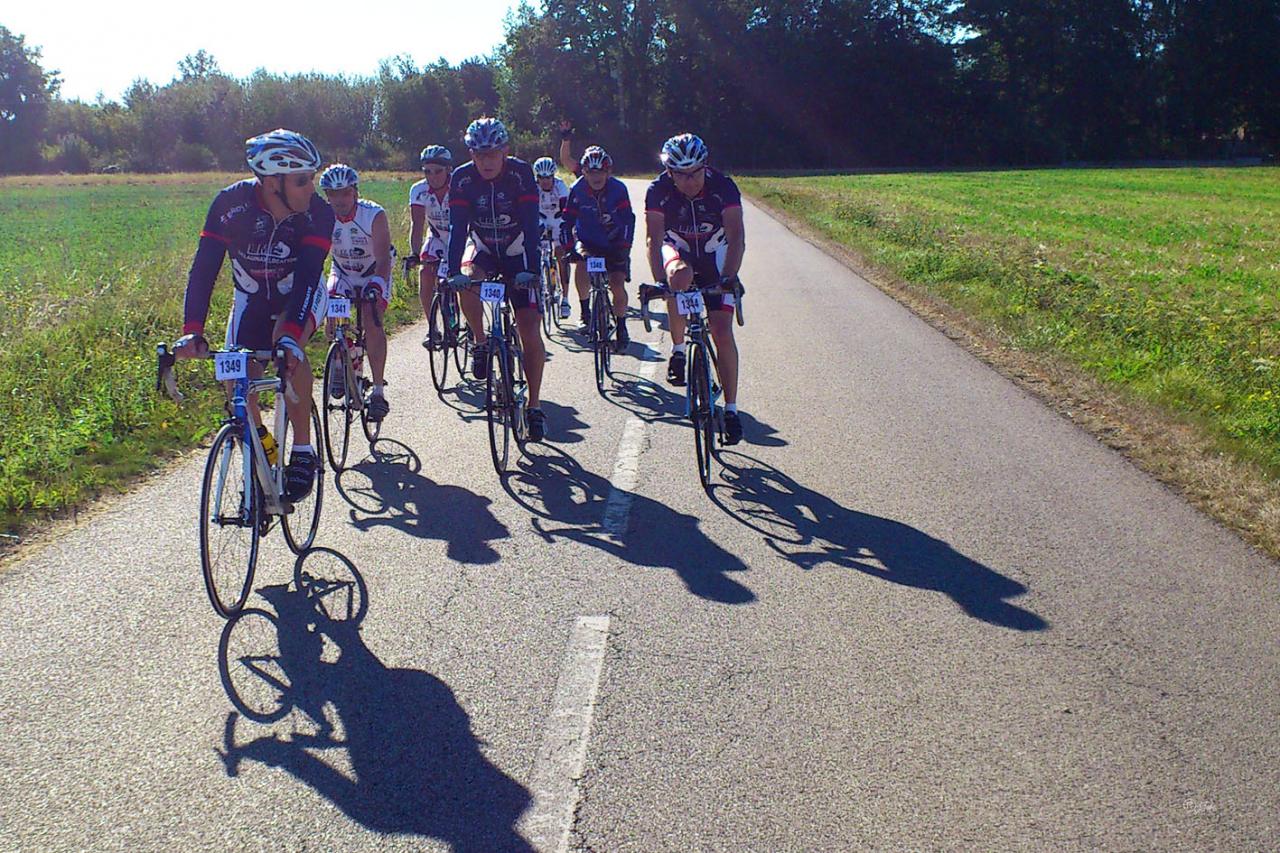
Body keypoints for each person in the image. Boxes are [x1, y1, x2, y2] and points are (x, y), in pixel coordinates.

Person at [174, 128, 333, 500]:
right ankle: (265, 454)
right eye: (302, 181)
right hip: (251, 297)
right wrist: (192, 330)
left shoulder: (318, 213)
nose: (312, 188)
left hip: (301, 293)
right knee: (237, 383)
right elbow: (204, 269)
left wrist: (293, 334)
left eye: (312, 178)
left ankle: (303, 451)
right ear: (271, 183)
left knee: (286, 346)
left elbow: (310, 275)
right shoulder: (231, 205)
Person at [445, 117, 549, 442]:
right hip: (486, 248)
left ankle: (534, 406)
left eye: (493, 154)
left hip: (519, 251)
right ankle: (479, 342)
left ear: (505, 151)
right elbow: (457, 230)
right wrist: (451, 273)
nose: (486, 162)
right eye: (479, 154)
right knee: (468, 277)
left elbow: (532, 226)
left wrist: (531, 271)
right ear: (471, 153)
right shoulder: (462, 179)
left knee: (529, 327)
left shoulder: (521, 174)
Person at [644, 132, 746, 445]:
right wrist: (660, 280)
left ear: (705, 165)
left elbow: (737, 237)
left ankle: (731, 410)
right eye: (681, 175)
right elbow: (654, 240)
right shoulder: (657, 190)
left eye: (696, 173)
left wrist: (728, 277)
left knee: (722, 331)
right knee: (678, 279)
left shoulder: (723, 186)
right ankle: (678, 350)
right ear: (669, 172)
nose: (690, 181)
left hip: (716, 254)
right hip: (681, 251)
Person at [319, 163, 393, 421]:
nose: (339, 200)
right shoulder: (323, 216)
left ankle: (379, 392)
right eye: (333, 194)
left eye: (345, 193)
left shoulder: (373, 215)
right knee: (332, 310)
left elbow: (383, 258)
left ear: (355, 192)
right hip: (342, 273)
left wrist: (375, 285)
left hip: (373, 272)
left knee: (371, 319)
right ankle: (342, 361)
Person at [562, 146, 635, 348]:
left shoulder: (618, 189)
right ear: (583, 172)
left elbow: (629, 220)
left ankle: (621, 326)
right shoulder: (577, 189)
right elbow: (566, 221)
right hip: (589, 242)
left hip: (615, 243)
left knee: (617, 284)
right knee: (582, 265)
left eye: (600, 172)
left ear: (608, 172)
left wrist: (625, 247)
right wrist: (569, 249)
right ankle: (586, 312)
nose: (596, 177)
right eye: (590, 172)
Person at [408, 145, 454, 347]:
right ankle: (432, 328)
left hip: (462, 235)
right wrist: (414, 253)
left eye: (438, 171)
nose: (432, 176)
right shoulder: (418, 191)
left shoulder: (460, 187)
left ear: (448, 170)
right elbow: (417, 225)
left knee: (466, 277)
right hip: (436, 236)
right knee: (425, 273)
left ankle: (470, 325)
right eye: (427, 172)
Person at [532, 156, 572, 319]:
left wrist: (564, 228)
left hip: (558, 220)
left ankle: (565, 299)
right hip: (541, 220)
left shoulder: (561, 187)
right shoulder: (533, 188)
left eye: (548, 178)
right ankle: (540, 290)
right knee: (535, 255)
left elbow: (567, 211)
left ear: (553, 176)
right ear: (537, 178)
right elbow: (528, 210)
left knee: (561, 256)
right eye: (542, 178)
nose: (545, 182)